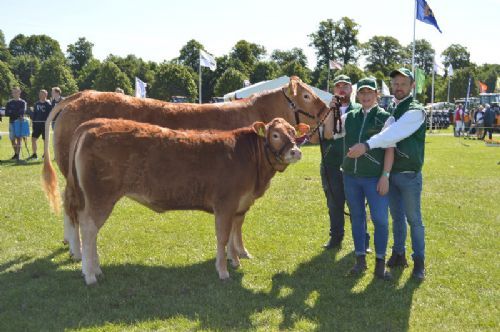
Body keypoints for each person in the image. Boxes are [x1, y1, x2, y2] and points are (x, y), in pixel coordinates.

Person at [347, 68, 427, 280]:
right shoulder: (393, 108)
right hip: (391, 173)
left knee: (414, 219)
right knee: (397, 218)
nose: (398, 87)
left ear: (412, 86)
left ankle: (419, 262)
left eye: (403, 83)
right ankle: (398, 254)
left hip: (408, 174)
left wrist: (366, 145)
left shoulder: (415, 110)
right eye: (395, 83)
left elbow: (392, 134)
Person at [326, 77, 394, 279]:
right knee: (357, 218)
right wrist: (331, 110)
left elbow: (390, 150)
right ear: (357, 95)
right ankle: (360, 260)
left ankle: (380, 264)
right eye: (362, 93)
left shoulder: (386, 118)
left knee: (380, 220)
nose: (365, 96)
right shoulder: (350, 117)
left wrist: (385, 176)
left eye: (369, 93)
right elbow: (329, 134)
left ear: (376, 95)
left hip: (374, 178)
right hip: (350, 177)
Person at [321, 74, 370, 252]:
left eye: (345, 86)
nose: (341, 89)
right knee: (334, 203)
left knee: (357, 203)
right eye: (338, 86)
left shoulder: (360, 108)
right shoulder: (325, 109)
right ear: (334, 90)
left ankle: (364, 240)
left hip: (354, 165)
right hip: (331, 163)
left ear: (351, 89)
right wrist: (328, 111)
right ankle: (336, 237)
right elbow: (317, 136)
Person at [27, 89, 52, 160]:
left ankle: (45, 154)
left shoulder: (48, 104)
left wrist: (48, 122)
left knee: (45, 140)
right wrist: (33, 121)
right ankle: (34, 154)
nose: (41, 95)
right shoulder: (36, 104)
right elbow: (34, 113)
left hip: (45, 125)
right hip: (37, 125)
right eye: (40, 94)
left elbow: (50, 114)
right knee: (33, 139)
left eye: (43, 94)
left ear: (46, 95)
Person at [4, 87, 27, 161]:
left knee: (19, 139)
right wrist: (16, 113)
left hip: (19, 123)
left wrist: (12, 112)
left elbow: (22, 112)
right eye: (13, 92)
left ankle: (17, 155)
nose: (15, 94)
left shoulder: (23, 102)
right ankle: (16, 154)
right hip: (11, 122)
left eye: (16, 92)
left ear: (19, 92)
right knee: (12, 139)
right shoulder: (9, 102)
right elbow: (7, 113)